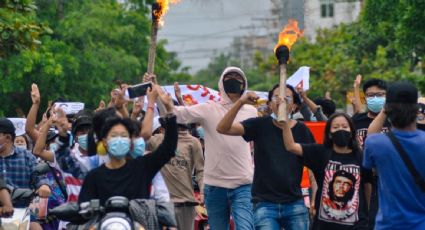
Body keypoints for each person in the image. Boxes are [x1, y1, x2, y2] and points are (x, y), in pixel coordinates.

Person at [217, 84, 314, 230]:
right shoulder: (259, 125)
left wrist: (315, 197)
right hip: (264, 204)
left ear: (294, 105)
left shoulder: (302, 130)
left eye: (287, 98)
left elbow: (314, 167)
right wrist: (241, 102)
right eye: (276, 97)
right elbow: (222, 128)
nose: (281, 101)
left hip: (294, 202)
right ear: (269, 104)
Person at [173, 67, 257, 229]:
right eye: (229, 76)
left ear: (244, 84)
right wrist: (157, 96)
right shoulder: (208, 108)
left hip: (243, 185)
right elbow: (178, 114)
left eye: (237, 77)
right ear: (221, 83)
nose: (233, 79)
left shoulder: (252, 112)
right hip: (215, 186)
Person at [78, 86, 178, 205]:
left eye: (124, 136)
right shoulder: (94, 176)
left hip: (138, 223)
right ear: (104, 141)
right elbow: (83, 211)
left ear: (131, 141)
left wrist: (170, 112)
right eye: (114, 136)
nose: (119, 140)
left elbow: (168, 148)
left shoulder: (143, 167)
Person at [281, 112, 372, 230]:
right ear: (329, 134)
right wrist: (284, 123)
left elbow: (367, 186)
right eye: (336, 127)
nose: (341, 130)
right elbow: (291, 146)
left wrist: (366, 212)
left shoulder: (361, 157)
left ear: (351, 132)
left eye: (345, 127)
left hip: (357, 225)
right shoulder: (320, 153)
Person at [363, 81, 425, 229]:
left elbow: (370, 135)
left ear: (387, 109)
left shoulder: (376, 144)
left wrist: (385, 110)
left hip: (387, 225)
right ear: (417, 110)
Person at [148, 122, 204, 230]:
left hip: (186, 204)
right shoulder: (159, 139)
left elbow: (200, 170)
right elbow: (136, 137)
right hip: (164, 204)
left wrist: (203, 191)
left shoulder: (193, 142)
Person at [0, 118, 52, 230]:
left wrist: (44, 185)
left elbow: (38, 175)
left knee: (36, 228)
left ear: (8, 137)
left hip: (22, 210)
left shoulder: (26, 156)